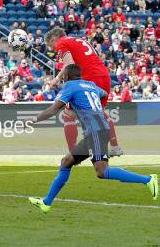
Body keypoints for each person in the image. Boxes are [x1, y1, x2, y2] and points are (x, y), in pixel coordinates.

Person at [28, 64, 158, 213]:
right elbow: (103, 94)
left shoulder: (70, 86)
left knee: (102, 172)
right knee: (66, 162)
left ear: (68, 75)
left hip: (96, 131)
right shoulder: (90, 85)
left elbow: (53, 109)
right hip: (96, 130)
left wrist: (34, 119)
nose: (61, 76)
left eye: (62, 74)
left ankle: (148, 180)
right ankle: (46, 203)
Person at [45, 27, 123, 157]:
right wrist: (58, 78)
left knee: (68, 114)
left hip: (89, 78)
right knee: (100, 114)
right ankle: (115, 147)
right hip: (103, 76)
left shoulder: (61, 43)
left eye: (50, 45)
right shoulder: (79, 40)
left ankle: (74, 154)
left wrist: (61, 82)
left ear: (54, 39)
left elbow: (70, 65)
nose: (52, 49)